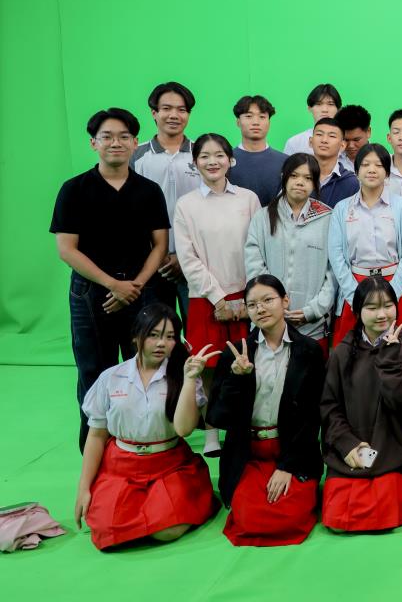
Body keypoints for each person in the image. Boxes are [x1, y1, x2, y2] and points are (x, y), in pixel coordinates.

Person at [52, 108, 170, 452]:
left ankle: (144, 445)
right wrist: (112, 284)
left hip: (140, 291)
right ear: (94, 143)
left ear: (135, 143)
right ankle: (95, 454)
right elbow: (67, 249)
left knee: (146, 369)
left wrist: (134, 286)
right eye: (107, 137)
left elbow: (160, 245)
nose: (115, 143)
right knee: (93, 371)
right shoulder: (74, 189)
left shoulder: (149, 191)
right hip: (91, 294)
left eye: (123, 137)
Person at [75, 304, 218, 549]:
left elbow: (184, 429)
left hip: (170, 464)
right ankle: (140, 513)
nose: (162, 343)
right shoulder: (111, 377)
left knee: (168, 531)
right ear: (136, 336)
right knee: (106, 530)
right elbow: (96, 436)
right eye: (153, 335)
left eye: (170, 337)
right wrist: (84, 488)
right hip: (121, 466)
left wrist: (190, 378)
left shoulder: (183, 376)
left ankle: (155, 513)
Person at [206, 275, 325, 546]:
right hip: (248, 454)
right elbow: (218, 417)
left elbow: (312, 417)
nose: (260, 309)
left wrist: (287, 466)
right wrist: (236, 378)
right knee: (250, 519)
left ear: (285, 301)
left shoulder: (309, 351)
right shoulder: (235, 353)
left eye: (268, 300)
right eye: (252, 304)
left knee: (289, 517)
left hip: (293, 451)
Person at [174, 133, 261, 455]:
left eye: (219, 155)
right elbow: (188, 258)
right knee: (209, 365)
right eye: (205, 156)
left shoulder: (248, 199)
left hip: (246, 294)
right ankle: (211, 432)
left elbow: (257, 246)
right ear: (195, 162)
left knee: (249, 361)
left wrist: (249, 296)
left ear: (231, 159)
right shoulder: (186, 205)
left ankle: (247, 426)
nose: (213, 162)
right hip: (205, 297)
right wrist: (218, 296)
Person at [320, 277, 402, 533]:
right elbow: (329, 407)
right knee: (337, 519)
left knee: (384, 517)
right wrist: (348, 444)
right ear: (357, 312)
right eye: (372, 307)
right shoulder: (342, 353)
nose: (381, 314)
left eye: (388, 306)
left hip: (391, 452)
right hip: (350, 452)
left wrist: (390, 359)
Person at [328, 144, 402, 346]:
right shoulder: (342, 209)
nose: (372, 170)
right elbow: (336, 256)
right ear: (356, 171)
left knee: (398, 352)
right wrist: (355, 296)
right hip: (355, 286)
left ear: (387, 172)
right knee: (354, 353)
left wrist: (392, 295)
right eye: (365, 165)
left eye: (378, 165)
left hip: (396, 284)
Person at [244, 153, 337, 351]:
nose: (300, 182)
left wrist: (313, 310)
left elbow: (333, 273)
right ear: (284, 177)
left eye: (308, 178)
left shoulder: (328, 218)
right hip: (268, 324)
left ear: (315, 183)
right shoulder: (262, 217)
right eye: (294, 176)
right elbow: (254, 266)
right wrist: (271, 306)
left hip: (312, 326)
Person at [132, 81, 200, 318]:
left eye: (182, 110)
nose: (174, 115)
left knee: (197, 331)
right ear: (154, 113)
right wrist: (157, 256)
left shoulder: (203, 154)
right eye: (166, 108)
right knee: (156, 330)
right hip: (149, 263)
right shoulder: (135, 155)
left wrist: (185, 256)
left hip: (195, 261)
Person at [228, 94, 288, 207]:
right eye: (249, 116)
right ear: (238, 122)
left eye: (262, 116)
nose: (256, 122)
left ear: (269, 123)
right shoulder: (225, 160)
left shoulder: (285, 161)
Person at [283, 83, 342, 156]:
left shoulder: (347, 141)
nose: (324, 110)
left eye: (330, 104)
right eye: (319, 104)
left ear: (339, 109)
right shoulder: (295, 143)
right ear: (309, 108)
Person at [311, 117, 359, 207]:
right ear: (310, 141)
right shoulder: (297, 175)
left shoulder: (351, 183)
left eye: (332, 136)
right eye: (319, 134)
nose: (324, 140)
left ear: (342, 145)